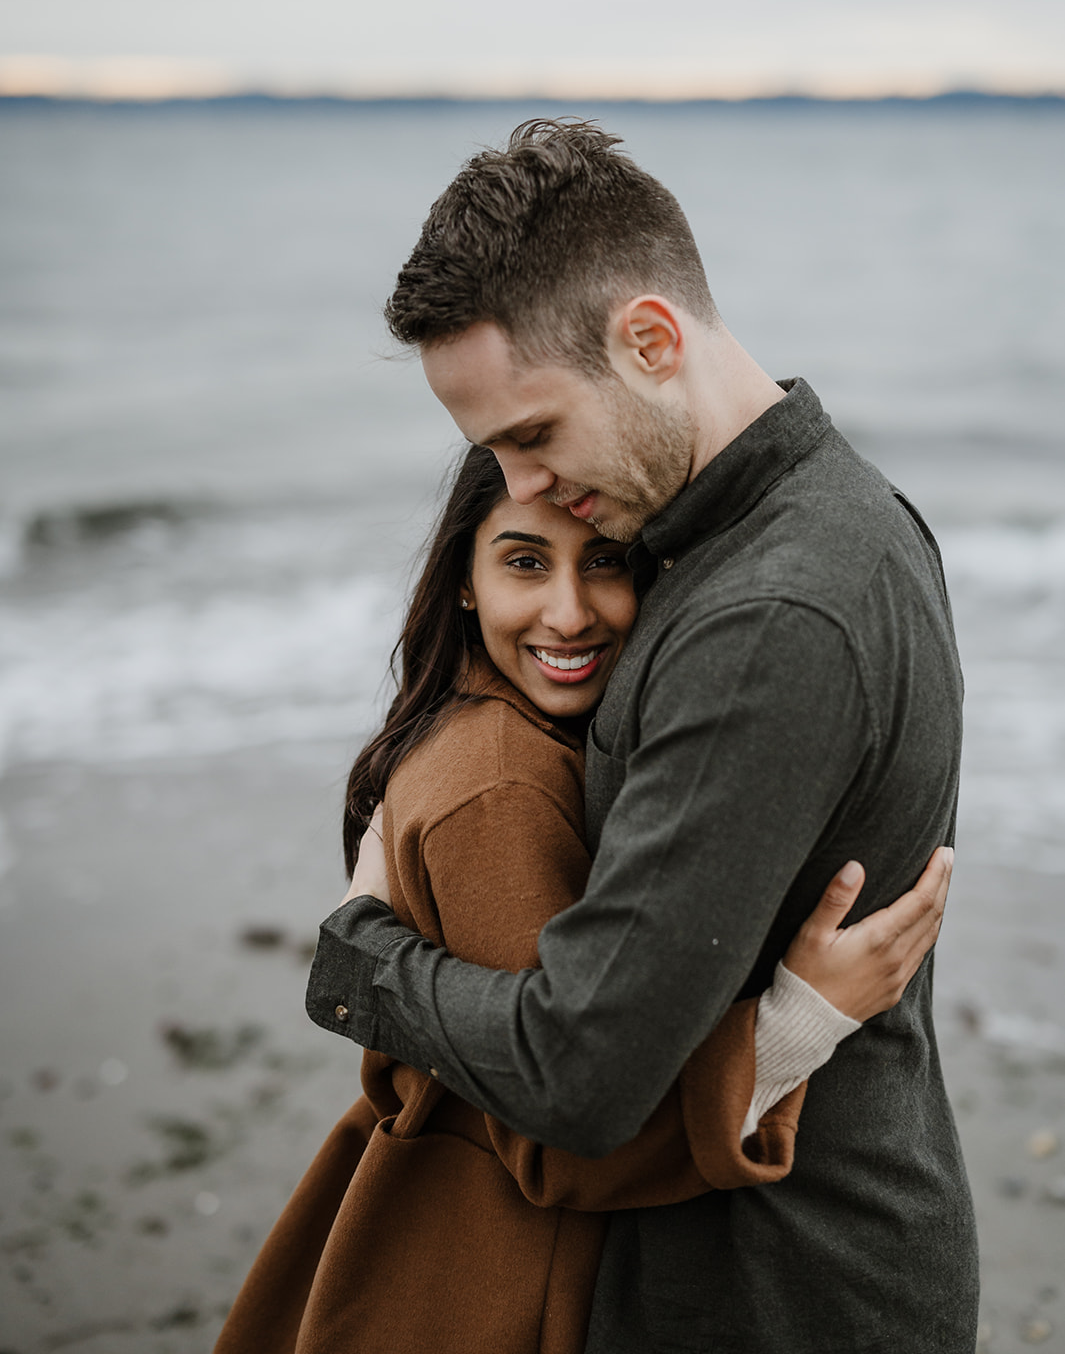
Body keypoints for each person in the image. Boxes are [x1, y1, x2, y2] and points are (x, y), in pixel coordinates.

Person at [306, 119, 980, 1352]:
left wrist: (365, 965)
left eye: (532, 435)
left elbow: (580, 1074)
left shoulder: (773, 613)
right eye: (491, 455)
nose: (515, 487)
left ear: (652, 340)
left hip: (773, 1294)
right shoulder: (837, 513)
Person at [217, 447, 953, 1354]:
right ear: (462, 582)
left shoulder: (518, 733)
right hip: (480, 1274)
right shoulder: (499, 785)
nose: (568, 613)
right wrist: (798, 1023)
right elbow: (562, 1132)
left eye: (604, 560)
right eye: (524, 562)